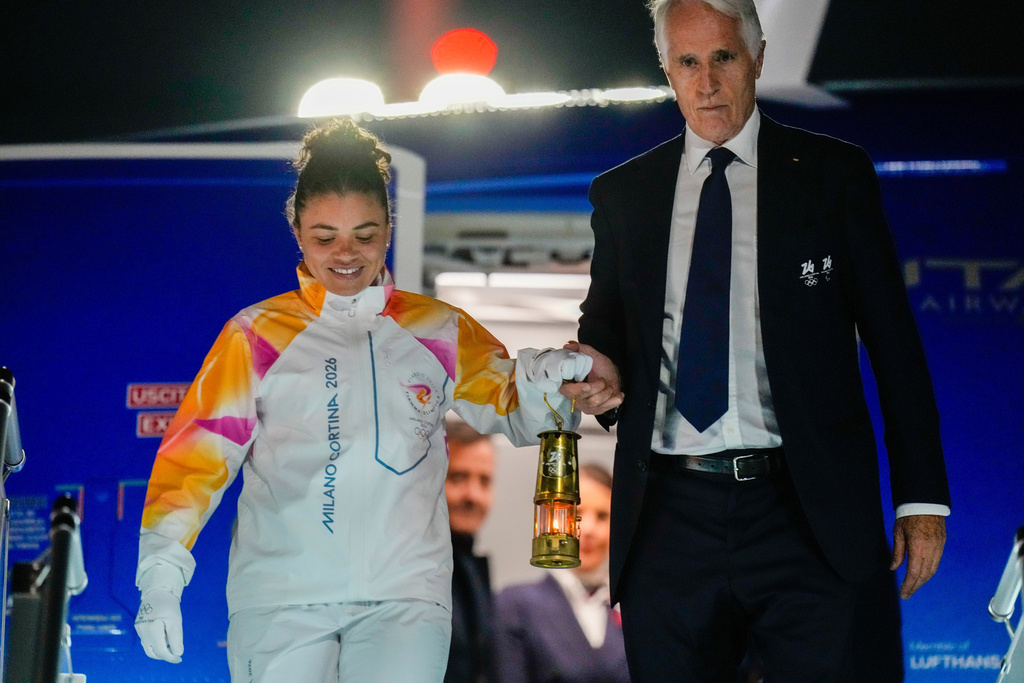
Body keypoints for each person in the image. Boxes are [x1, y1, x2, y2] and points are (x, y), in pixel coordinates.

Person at [558, 1, 951, 680]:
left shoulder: (831, 176)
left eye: (723, 58)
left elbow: (894, 342)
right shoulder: (624, 196)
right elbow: (606, 336)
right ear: (667, 70)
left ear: (758, 58)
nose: (706, 81)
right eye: (687, 62)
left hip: (805, 509)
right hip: (669, 517)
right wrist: (597, 376)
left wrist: (921, 497)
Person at [132, 117, 594, 683]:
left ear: (389, 230)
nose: (345, 254)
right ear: (297, 230)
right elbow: (196, 459)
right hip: (282, 599)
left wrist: (545, 378)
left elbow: (516, 410)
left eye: (366, 234)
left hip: (406, 598)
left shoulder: (438, 328)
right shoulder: (255, 334)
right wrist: (160, 574)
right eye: (325, 236)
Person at [495, 463, 630, 683]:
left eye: (603, 517)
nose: (588, 529)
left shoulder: (631, 611)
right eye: (577, 514)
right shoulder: (515, 606)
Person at [444, 418, 499, 683]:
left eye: (484, 481)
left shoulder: (470, 571)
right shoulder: (403, 570)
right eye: (458, 477)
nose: (473, 495)